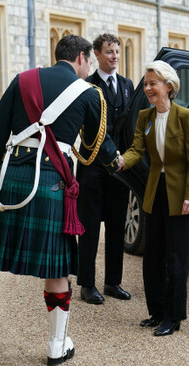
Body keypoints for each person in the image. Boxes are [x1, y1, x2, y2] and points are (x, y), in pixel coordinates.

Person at [0, 34, 124, 366]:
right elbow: (94, 149)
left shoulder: (23, 79)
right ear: (83, 58)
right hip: (52, 184)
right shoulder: (89, 94)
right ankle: (57, 347)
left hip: (10, 178)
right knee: (57, 269)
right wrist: (116, 160)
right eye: (88, 63)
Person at [121, 60, 189, 336]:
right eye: (146, 84)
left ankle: (173, 316)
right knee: (152, 256)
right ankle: (156, 311)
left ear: (169, 86)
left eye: (152, 83)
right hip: (155, 193)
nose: (147, 88)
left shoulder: (187, 116)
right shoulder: (145, 117)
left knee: (175, 258)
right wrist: (122, 160)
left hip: (183, 195)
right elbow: (137, 150)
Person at [77, 34, 134, 304]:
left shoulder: (127, 85)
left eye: (117, 52)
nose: (114, 56)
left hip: (119, 168)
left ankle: (113, 281)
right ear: (97, 55)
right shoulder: (87, 85)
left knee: (116, 224)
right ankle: (87, 284)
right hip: (92, 166)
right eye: (109, 52)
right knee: (89, 226)